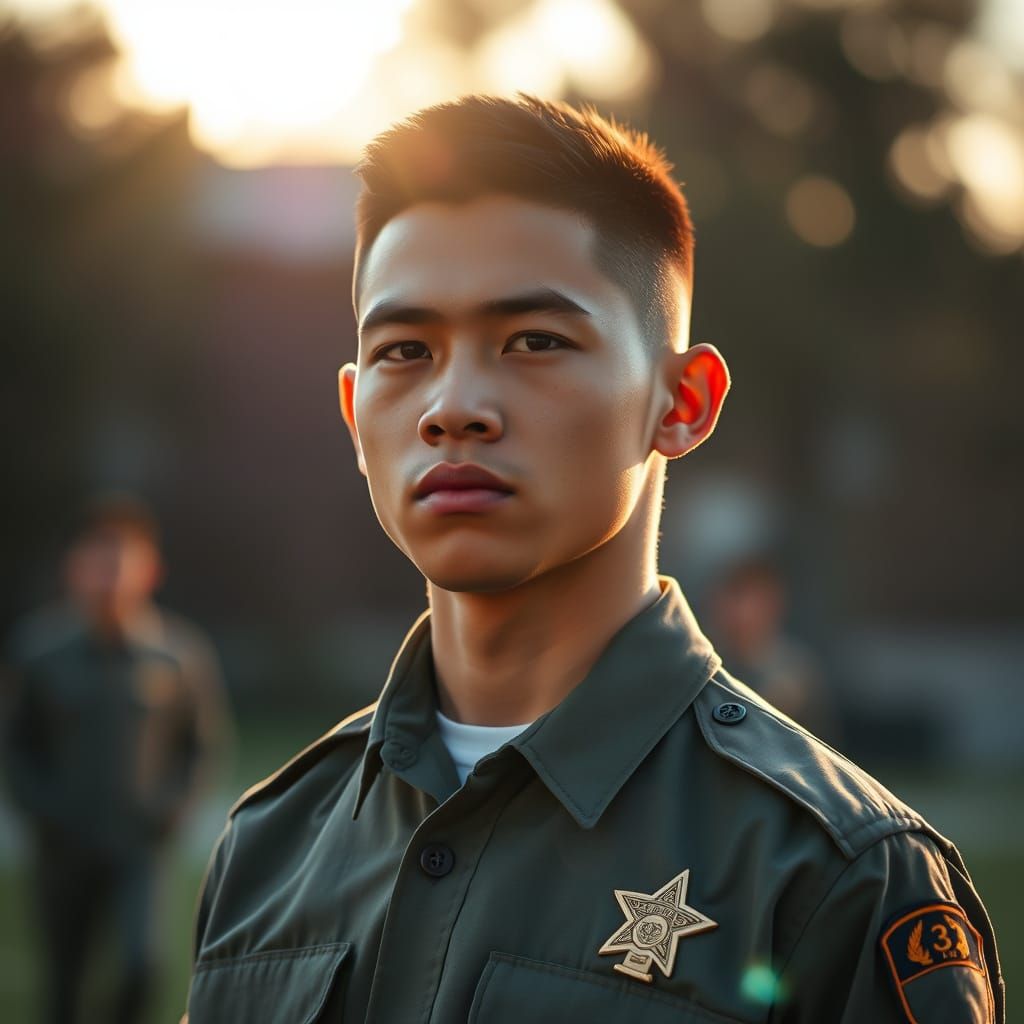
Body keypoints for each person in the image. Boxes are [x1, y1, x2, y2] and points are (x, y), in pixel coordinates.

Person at [184, 96, 1002, 1022]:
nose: (451, 406)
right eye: (405, 349)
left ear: (683, 400)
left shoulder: (831, 876)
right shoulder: (270, 846)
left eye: (535, 341)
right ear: (354, 416)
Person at [3, 493, 231, 1024]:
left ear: (150, 570)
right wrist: (44, 811)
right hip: (62, 849)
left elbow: (201, 746)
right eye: (96, 561)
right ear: (73, 569)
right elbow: (16, 747)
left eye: (122, 560)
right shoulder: (39, 653)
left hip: (139, 849)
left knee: (142, 966)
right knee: (63, 984)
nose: (109, 575)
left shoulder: (179, 655)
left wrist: (170, 810)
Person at [707, 553, 835, 739]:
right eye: (732, 596)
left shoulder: (794, 671)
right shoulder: (705, 662)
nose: (738, 609)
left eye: (747, 598)